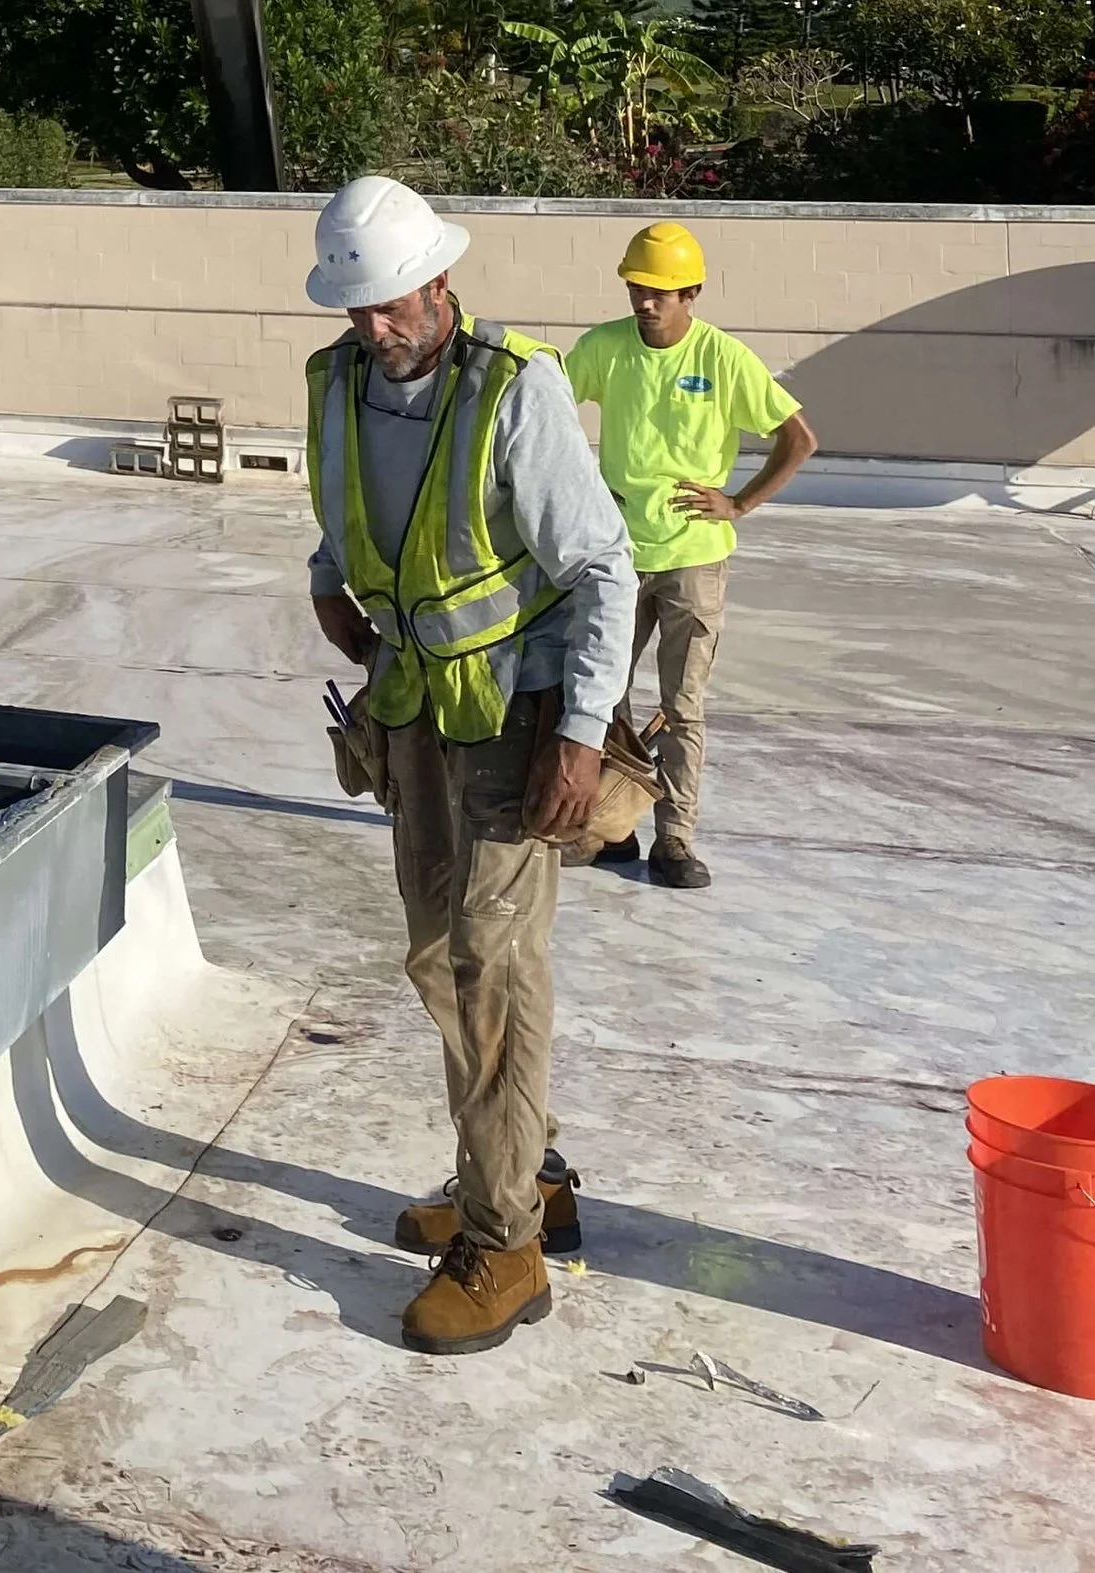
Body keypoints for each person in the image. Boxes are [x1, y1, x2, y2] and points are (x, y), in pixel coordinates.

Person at [305, 175, 637, 1356]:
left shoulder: (513, 392)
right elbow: (346, 507)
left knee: (490, 961)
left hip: (517, 715)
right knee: (439, 957)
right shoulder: (339, 382)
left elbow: (603, 568)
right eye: (357, 311)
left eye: (391, 305)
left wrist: (586, 733)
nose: (374, 329)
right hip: (411, 706)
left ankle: (505, 1247)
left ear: (440, 282)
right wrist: (325, 581)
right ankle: (522, 1170)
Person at [566, 221, 817, 891]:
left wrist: (737, 502)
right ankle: (610, 828)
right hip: (617, 555)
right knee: (600, 694)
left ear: (692, 292)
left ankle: (673, 838)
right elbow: (546, 406)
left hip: (694, 559)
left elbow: (798, 438)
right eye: (637, 287)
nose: (645, 301)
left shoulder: (723, 358)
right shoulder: (604, 348)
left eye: (661, 291)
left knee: (682, 705)